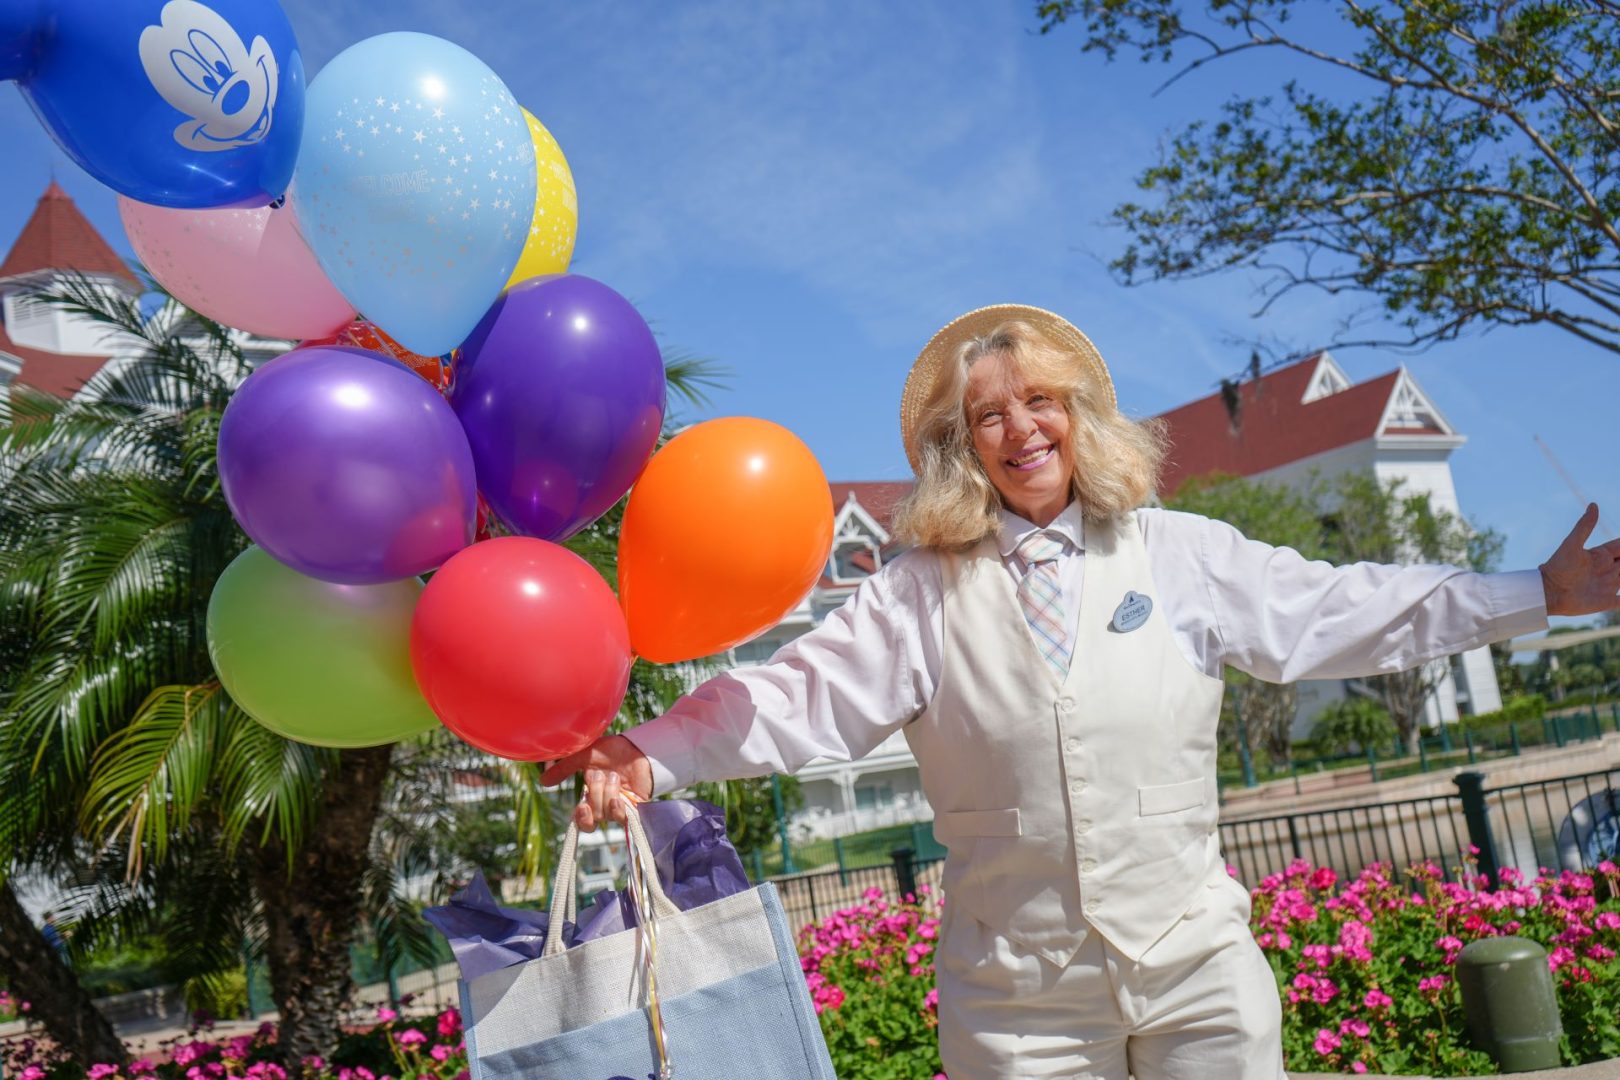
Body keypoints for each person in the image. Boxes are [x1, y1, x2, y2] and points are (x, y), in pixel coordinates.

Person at [543, 305, 1620, 1080]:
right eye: (990, 418)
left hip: (1197, 972)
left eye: (1041, 403)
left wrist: (1532, 592)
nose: (1022, 432)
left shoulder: (1181, 554)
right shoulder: (918, 594)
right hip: (1017, 1010)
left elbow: (1342, 610)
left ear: (1080, 415)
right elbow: (790, 696)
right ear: (960, 450)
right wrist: (650, 754)